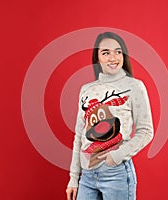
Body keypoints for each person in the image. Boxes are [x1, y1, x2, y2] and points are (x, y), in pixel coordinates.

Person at [66, 32, 154, 200]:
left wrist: (116, 157)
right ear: (98, 58)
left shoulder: (134, 86)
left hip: (116, 174)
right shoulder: (86, 90)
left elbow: (146, 131)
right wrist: (73, 178)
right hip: (87, 176)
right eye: (106, 53)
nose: (113, 57)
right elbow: (79, 136)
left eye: (118, 51)